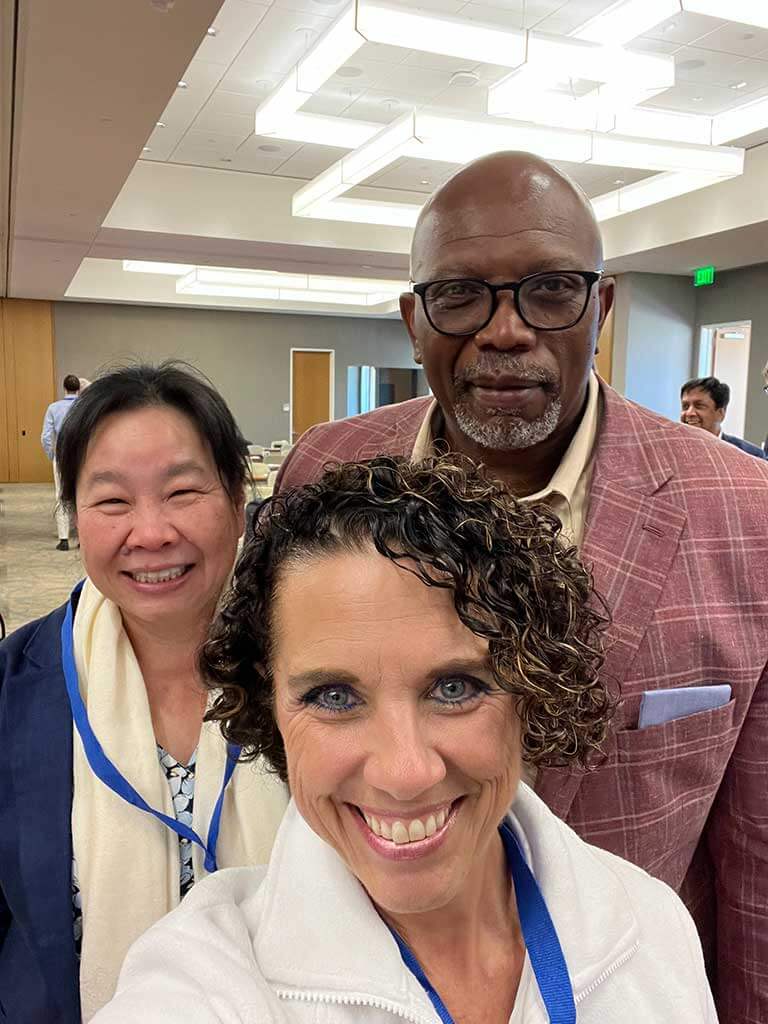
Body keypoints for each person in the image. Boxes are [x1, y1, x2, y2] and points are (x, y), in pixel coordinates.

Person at [274, 152, 768, 1024]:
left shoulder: (743, 512)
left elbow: (757, 849)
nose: (506, 330)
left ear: (602, 307)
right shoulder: (326, 468)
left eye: (550, 290)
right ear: (412, 320)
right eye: (461, 295)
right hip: (359, 982)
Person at [93, 455, 715, 1024]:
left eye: (454, 688)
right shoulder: (201, 984)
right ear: (270, 707)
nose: (405, 771)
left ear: (531, 688)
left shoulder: (654, 929)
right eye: (334, 697)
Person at [0, 362, 288, 1023]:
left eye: (182, 492)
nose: (151, 532)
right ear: (74, 513)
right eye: (111, 501)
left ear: (239, 499)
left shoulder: (322, 672)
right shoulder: (15, 688)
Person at [680, 375, 766, 458]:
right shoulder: (671, 450)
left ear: (720, 413)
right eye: (685, 406)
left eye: (699, 406)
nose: (689, 413)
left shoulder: (750, 454)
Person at [41, 373, 81, 550]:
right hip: (82, 455)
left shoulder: (53, 408)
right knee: (81, 494)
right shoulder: (84, 406)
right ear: (78, 388)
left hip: (62, 455)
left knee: (61, 495)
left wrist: (53, 455)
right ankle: (82, 538)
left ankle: (64, 539)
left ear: (64, 388)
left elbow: (46, 437)